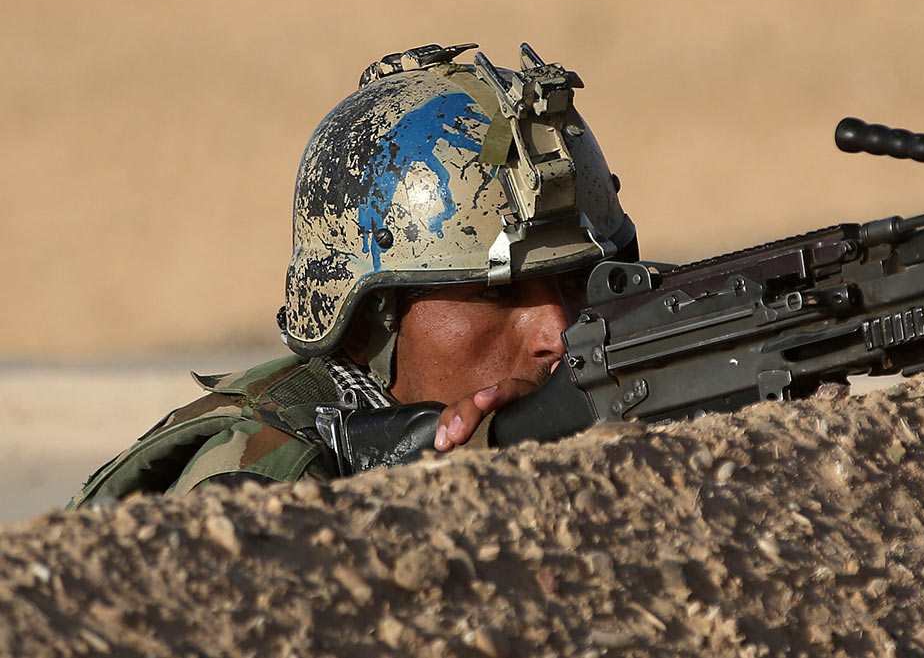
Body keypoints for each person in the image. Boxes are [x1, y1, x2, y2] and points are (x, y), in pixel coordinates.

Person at [70, 42, 635, 506]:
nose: (556, 332)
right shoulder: (260, 490)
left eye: (580, 279)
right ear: (365, 326)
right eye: (499, 292)